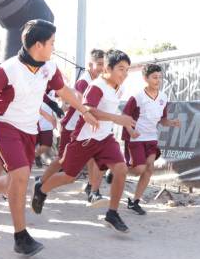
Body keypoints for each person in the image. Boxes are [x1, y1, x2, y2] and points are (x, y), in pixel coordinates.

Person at [0, 19, 98, 256]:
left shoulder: (49, 67)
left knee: (16, 179)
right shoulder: (8, 69)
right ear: (38, 45)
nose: (54, 47)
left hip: (29, 129)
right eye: (52, 43)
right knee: (22, 176)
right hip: (4, 125)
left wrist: (84, 111)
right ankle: (20, 236)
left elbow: (64, 91)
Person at [32, 49, 136, 233]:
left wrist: (126, 125)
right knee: (68, 176)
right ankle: (41, 190)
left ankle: (112, 213)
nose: (125, 74)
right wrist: (117, 119)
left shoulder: (118, 87)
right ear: (108, 68)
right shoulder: (97, 86)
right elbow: (88, 109)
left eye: (127, 70)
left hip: (105, 137)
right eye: (121, 69)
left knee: (121, 169)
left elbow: (112, 113)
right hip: (84, 139)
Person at [41, 48, 106, 202]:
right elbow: (84, 103)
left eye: (105, 64)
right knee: (62, 160)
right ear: (90, 65)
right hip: (72, 127)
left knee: (94, 157)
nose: (103, 67)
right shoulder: (84, 81)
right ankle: (41, 182)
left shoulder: (100, 81)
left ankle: (92, 188)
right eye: (100, 64)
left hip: (87, 127)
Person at [122, 63, 180, 215]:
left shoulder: (163, 97)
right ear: (145, 78)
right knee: (139, 168)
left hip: (151, 137)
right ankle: (117, 171)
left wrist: (172, 123)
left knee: (149, 169)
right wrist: (131, 130)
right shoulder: (137, 97)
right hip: (136, 137)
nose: (158, 80)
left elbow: (163, 119)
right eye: (154, 77)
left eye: (160, 77)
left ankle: (135, 202)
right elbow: (124, 117)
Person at [34, 93, 58, 168]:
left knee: (47, 145)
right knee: (30, 145)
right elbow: (38, 109)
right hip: (35, 124)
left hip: (47, 126)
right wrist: (50, 118)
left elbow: (53, 109)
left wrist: (54, 121)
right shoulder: (36, 93)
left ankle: (35, 155)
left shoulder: (52, 95)